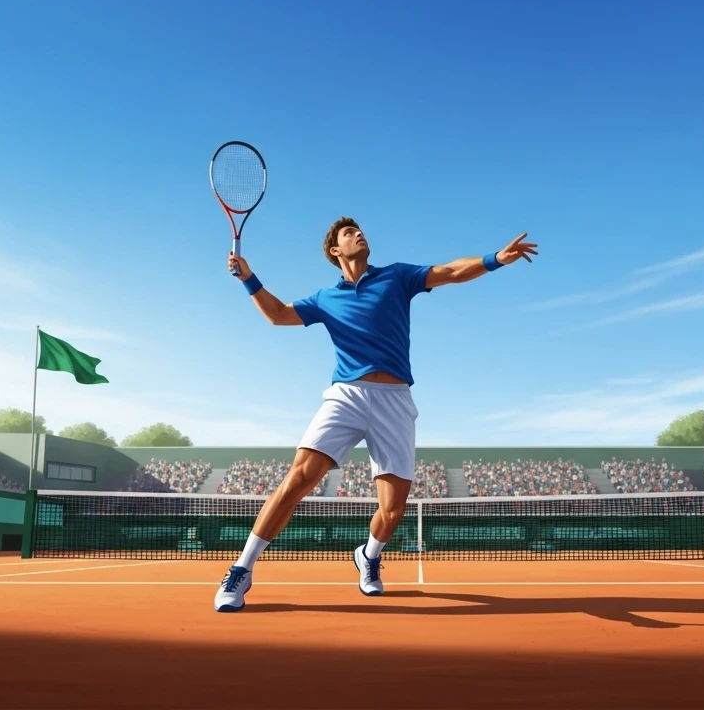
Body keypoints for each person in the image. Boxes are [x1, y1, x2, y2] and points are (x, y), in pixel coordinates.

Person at [213, 216, 538, 612]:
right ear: (335, 250)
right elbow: (279, 314)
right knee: (299, 477)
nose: (359, 233)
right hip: (347, 394)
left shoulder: (397, 277)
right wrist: (248, 278)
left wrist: (496, 259)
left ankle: (368, 556)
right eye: (349, 233)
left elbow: (451, 271)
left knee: (393, 508)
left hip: (395, 399)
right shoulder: (324, 299)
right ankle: (241, 570)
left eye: (359, 230)